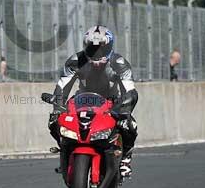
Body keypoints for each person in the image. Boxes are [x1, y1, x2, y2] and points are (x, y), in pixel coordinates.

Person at [48, 25, 138, 179]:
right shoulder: (75, 61)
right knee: (54, 121)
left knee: (130, 125)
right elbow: (63, 85)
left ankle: (125, 160)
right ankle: (65, 152)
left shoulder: (120, 63)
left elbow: (129, 89)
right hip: (81, 100)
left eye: (101, 49)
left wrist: (125, 107)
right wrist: (58, 106)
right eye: (92, 48)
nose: (97, 53)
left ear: (109, 47)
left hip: (111, 101)